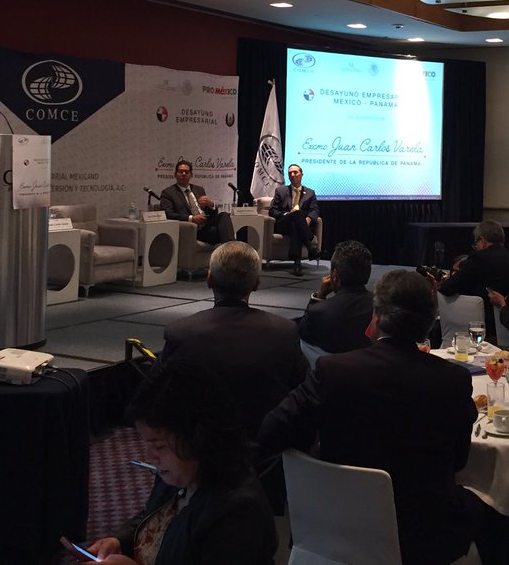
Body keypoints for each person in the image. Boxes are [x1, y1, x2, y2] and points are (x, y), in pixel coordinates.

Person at [259, 270, 482, 565]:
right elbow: (459, 462)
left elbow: (271, 431)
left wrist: (314, 454)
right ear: (430, 322)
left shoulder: (333, 372)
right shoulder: (453, 381)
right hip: (423, 539)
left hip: (336, 527)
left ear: (377, 316)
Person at [87, 358, 277, 565]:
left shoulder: (238, 513)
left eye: (159, 446)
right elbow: (155, 519)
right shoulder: (180, 474)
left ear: (199, 438)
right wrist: (119, 541)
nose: (149, 457)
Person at [159, 241, 307, 442]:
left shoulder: (181, 333)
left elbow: (153, 399)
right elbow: (302, 394)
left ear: (209, 280)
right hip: (265, 449)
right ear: (256, 284)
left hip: (198, 449)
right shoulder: (285, 333)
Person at [437, 219, 509, 339]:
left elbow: (448, 288)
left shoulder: (479, 257)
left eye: (476, 244)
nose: (476, 248)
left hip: (485, 330)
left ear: (482, 241)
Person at [298, 239, 374, 355]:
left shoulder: (318, 311)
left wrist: (319, 297)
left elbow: (303, 332)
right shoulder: (382, 307)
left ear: (334, 275)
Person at [157, 159, 235, 246]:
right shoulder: (168, 193)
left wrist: (211, 205)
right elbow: (167, 214)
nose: (183, 174)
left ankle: (231, 248)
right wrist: (191, 218)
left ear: (191, 175)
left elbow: (211, 213)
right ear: (175, 174)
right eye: (180, 171)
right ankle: (233, 248)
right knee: (220, 231)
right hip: (192, 228)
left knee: (224, 215)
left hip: (206, 223)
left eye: (186, 172)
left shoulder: (199, 189)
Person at [268, 163, 320, 275]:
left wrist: (309, 218)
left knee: (295, 225)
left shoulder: (310, 193)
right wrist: (287, 214)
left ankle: (297, 263)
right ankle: (310, 247)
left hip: (300, 225)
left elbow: (315, 210)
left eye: (295, 172)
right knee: (297, 215)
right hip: (283, 224)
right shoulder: (280, 191)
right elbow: (272, 210)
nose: (292, 175)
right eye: (290, 173)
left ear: (302, 175)